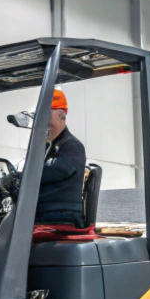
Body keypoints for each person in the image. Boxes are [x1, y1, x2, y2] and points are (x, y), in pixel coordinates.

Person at [34, 87, 88, 229]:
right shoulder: (45, 148)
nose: (42, 122)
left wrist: (23, 177)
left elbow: (55, 171)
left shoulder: (73, 147)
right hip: (45, 210)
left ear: (61, 116)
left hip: (60, 213)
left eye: (46, 117)